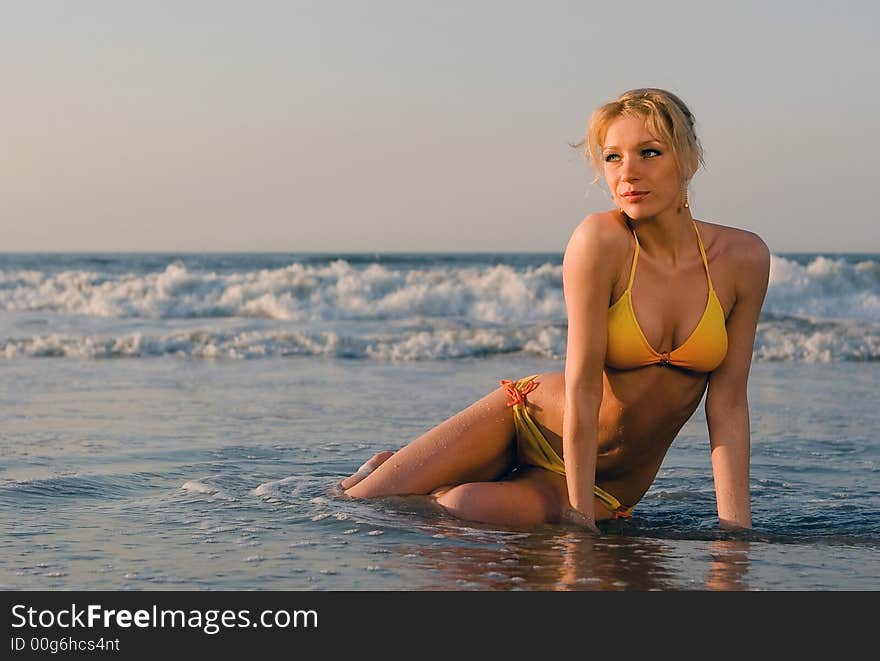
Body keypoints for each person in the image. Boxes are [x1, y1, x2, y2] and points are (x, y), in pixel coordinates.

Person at [341, 88, 770, 533]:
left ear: (689, 159)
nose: (629, 173)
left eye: (649, 152)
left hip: (612, 482)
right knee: (361, 504)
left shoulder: (743, 259)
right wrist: (579, 523)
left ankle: (425, 467)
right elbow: (584, 387)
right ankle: (399, 468)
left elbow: (728, 405)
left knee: (460, 503)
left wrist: (735, 532)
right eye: (612, 158)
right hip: (530, 422)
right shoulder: (601, 243)